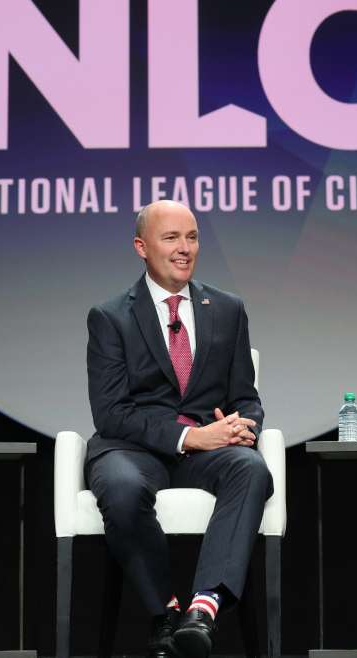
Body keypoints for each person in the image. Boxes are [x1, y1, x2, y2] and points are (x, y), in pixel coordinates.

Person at [85, 200, 273, 658]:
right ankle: (165, 612)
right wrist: (189, 437)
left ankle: (203, 609)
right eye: (171, 238)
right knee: (121, 487)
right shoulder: (110, 317)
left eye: (191, 237)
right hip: (132, 448)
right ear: (141, 247)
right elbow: (111, 412)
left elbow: (245, 397)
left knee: (251, 470)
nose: (184, 248)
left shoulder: (228, 309)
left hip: (210, 453)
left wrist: (241, 427)